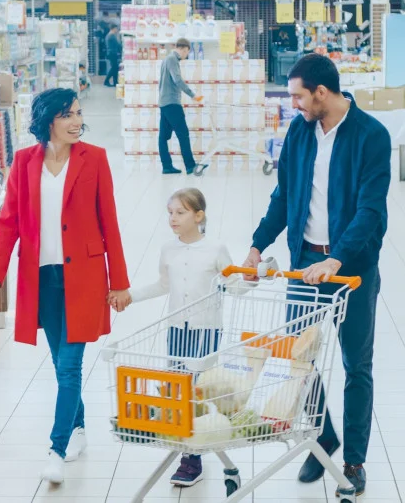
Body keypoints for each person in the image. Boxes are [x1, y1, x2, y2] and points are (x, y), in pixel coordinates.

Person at [244, 53, 390, 498]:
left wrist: (338, 259)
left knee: (355, 366)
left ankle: (354, 460)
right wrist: (256, 245)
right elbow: (284, 193)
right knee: (296, 359)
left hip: (352, 270)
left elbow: (370, 211)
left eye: (298, 97)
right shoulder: (300, 131)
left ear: (321, 94)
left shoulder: (371, 136)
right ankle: (323, 436)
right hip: (304, 263)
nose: (294, 105)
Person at [0, 87, 131, 485]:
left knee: (69, 367)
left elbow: (109, 223)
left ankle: (57, 448)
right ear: (49, 120)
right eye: (69, 115)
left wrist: (119, 282)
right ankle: (79, 427)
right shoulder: (24, 162)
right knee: (59, 363)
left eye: (79, 114)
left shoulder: (95, 159)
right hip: (41, 278)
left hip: (83, 276)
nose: (77, 121)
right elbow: (9, 223)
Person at [131, 188, 249, 487]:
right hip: (176, 330)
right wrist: (129, 296)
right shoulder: (167, 249)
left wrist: (252, 277)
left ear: (199, 216)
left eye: (180, 212)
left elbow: (234, 285)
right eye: (170, 212)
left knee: (197, 391)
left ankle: (191, 458)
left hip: (206, 331)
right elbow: (163, 285)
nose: (173, 218)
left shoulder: (215, 249)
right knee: (178, 390)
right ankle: (188, 448)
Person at [159, 38, 203, 175]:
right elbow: (177, 79)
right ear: (184, 49)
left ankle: (167, 166)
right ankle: (190, 166)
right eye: (186, 53)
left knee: (163, 136)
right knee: (183, 134)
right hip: (172, 103)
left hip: (164, 102)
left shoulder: (167, 59)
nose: (185, 56)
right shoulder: (172, 59)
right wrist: (192, 95)